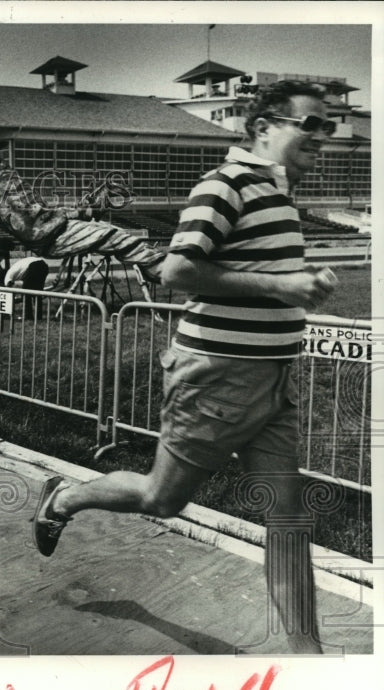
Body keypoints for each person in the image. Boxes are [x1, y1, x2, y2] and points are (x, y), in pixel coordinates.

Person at [30, 80, 338, 655]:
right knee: (161, 499)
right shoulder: (225, 184)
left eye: (327, 125)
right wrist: (285, 285)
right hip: (216, 377)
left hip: (273, 378)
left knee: (289, 522)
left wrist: (296, 289)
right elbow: (176, 271)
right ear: (265, 127)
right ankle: (63, 499)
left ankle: (308, 659)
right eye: (310, 124)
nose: (322, 135)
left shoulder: (278, 190)